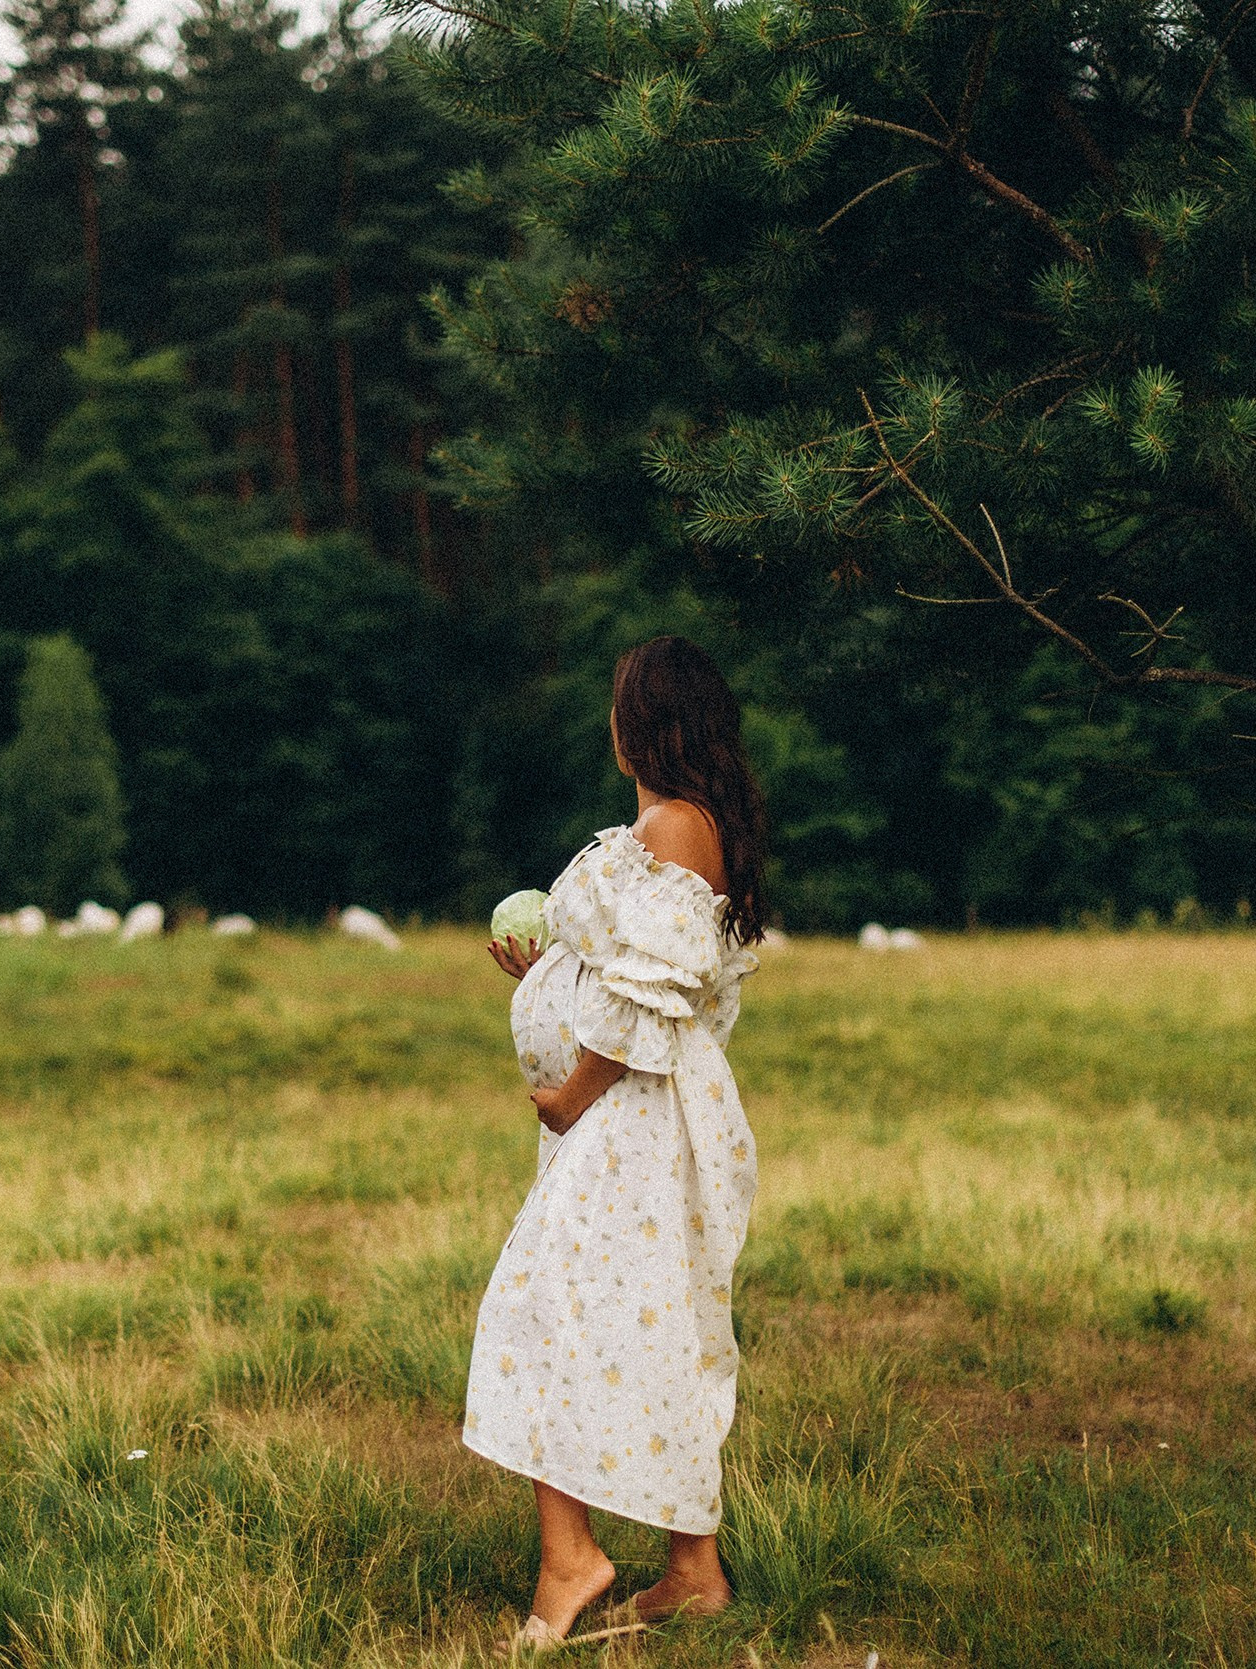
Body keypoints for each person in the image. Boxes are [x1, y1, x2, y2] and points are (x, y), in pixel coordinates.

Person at [472, 636, 769, 1646]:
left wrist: (572, 1094)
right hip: (626, 1112)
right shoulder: (677, 823)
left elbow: (657, 992)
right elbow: (634, 968)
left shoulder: (678, 824)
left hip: (629, 1113)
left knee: (542, 1308)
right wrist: (546, 979)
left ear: (642, 721)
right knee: (653, 1324)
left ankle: (572, 1559)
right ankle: (693, 1570)